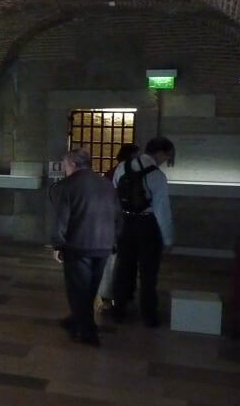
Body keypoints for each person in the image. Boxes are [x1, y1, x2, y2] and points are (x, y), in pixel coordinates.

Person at [51, 147, 122, 346]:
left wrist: (57, 245)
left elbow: (61, 219)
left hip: (79, 245)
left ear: (72, 164)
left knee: (78, 288)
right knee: (91, 287)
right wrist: (115, 240)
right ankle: (76, 320)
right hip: (104, 245)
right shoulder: (106, 185)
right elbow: (117, 216)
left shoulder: (66, 185)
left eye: (65, 164)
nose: (64, 167)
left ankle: (87, 331)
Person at [110, 136, 175, 327]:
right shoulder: (157, 175)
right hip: (148, 225)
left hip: (125, 223)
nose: (166, 160)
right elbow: (162, 210)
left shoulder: (122, 167)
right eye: (167, 156)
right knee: (148, 272)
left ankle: (119, 310)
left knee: (123, 268)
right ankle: (148, 314)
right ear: (160, 152)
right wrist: (168, 238)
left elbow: (114, 198)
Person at [99, 143, 140, 307]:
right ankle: (112, 295)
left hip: (114, 221)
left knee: (114, 261)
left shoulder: (112, 173)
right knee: (115, 261)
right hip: (117, 222)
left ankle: (112, 295)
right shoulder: (122, 173)